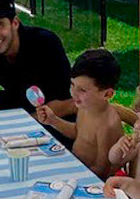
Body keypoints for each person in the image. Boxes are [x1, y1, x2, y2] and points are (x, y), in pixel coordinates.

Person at [36, 48, 124, 179]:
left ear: (107, 94)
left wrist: (72, 176)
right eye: (72, 85)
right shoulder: (85, 106)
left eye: (82, 90)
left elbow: (102, 170)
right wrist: (53, 120)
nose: (74, 93)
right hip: (76, 165)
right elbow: (78, 133)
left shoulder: (107, 126)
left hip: (94, 181)